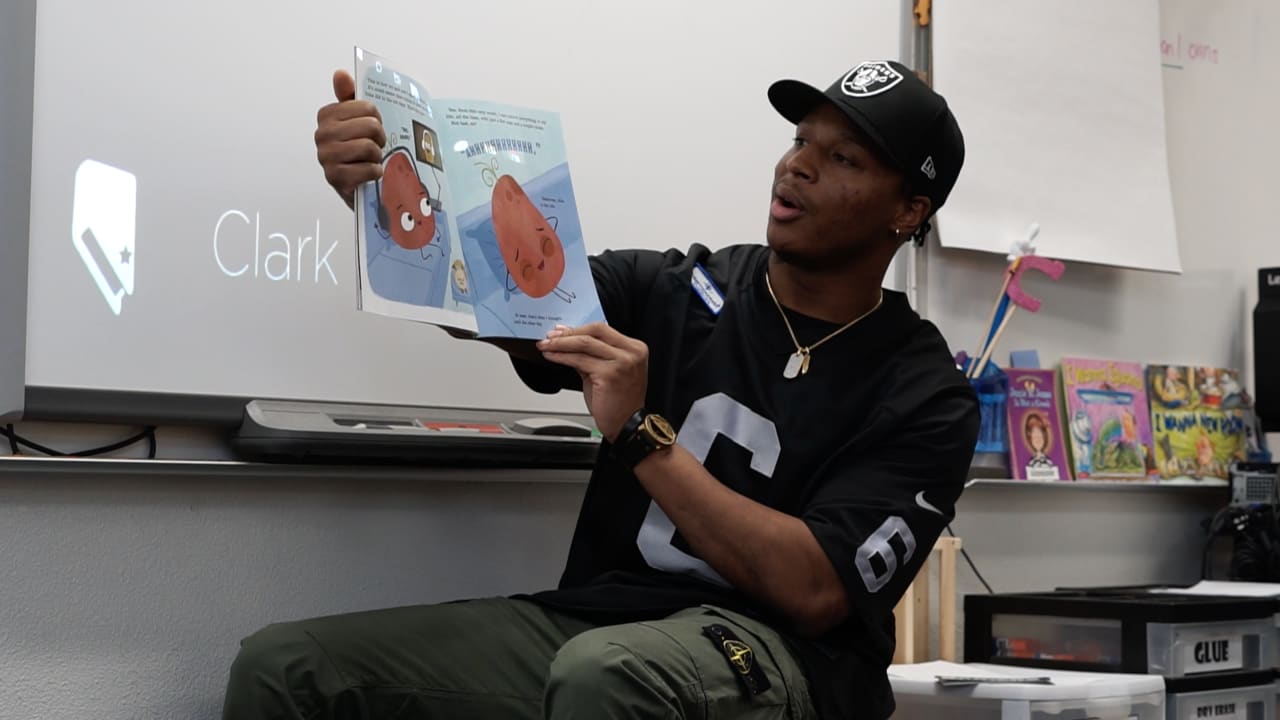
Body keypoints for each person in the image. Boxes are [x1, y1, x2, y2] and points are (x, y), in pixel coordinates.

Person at [222, 59, 979, 720]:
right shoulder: (683, 286)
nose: (797, 168)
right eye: (799, 142)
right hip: (598, 623)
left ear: (908, 210)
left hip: (785, 665)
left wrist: (642, 434)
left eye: (842, 157)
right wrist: (383, 198)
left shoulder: (925, 395)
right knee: (289, 669)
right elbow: (496, 300)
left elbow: (815, 590)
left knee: (608, 677)